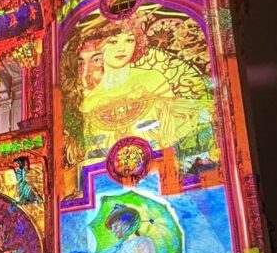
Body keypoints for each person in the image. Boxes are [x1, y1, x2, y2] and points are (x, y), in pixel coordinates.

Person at [75, 15, 201, 156]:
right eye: (113, 42)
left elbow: (173, 131)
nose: (122, 48)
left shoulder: (153, 79)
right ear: (98, 46)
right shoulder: (90, 100)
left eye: (129, 40)